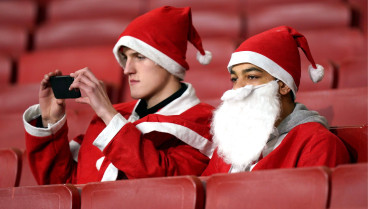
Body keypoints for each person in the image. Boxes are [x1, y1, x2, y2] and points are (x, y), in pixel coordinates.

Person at [23, 6, 216, 184]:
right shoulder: (115, 114)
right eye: (126, 58)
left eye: (139, 57)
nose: (127, 70)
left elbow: (165, 183)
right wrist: (50, 121)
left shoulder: (204, 122)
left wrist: (108, 114)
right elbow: (62, 186)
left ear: (168, 63)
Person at [202, 25, 351, 176]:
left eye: (251, 77)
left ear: (284, 86)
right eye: (234, 79)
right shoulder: (229, 145)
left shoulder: (318, 144)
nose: (237, 88)